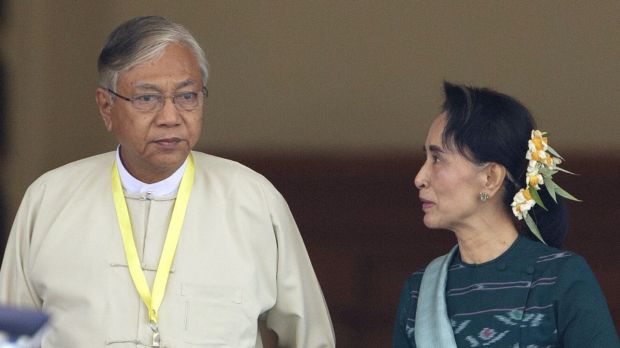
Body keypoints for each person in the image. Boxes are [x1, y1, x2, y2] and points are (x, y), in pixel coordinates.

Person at [0, 16, 335, 348]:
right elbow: (10, 338)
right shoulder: (49, 200)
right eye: (147, 98)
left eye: (187, 96)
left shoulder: (254, 201)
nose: (170, 117)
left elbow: (311, 339)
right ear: (106, 106)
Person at [393, 82, 619, 347]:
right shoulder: (419, 292)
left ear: (490, 178)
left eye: (438, 159)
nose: (420, 178)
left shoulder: (561, 278)